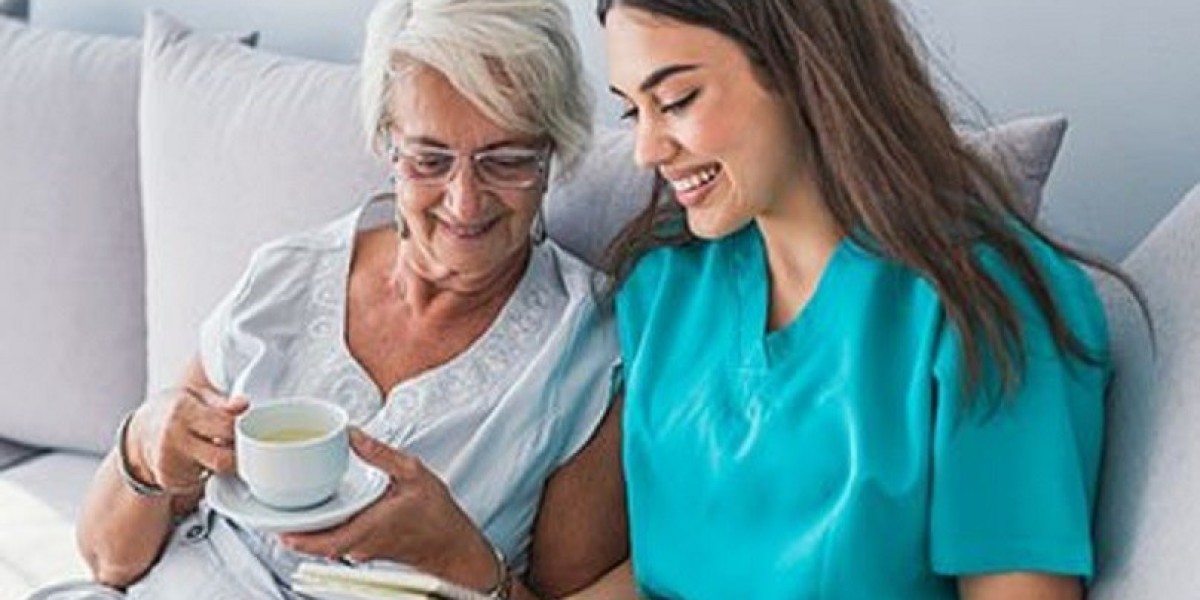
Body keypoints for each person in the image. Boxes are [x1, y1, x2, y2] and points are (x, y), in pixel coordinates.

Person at [591, 0, 1146, 599]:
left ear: (802, 65)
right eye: (630, 110)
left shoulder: (981, 304)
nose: (646, 150)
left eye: (675, 101)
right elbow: (661, 578)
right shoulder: (664, 285)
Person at [74, 0, 627, 598]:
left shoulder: (587, 352)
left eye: (507, 161)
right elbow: (110, 563)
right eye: (429, 160)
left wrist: (458, 554)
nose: (465, 202)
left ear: (552, 153)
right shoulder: (285, 279)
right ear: (388, 146)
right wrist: (142, 445)